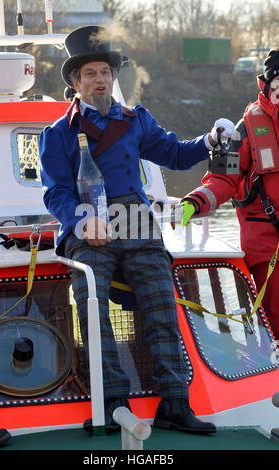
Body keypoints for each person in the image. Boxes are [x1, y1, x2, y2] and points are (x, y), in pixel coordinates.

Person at [39, 25, 234, 434]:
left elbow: (176, 155)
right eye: (89, 74)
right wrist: (80, 220)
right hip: (90, 224)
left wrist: (210, 138)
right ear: (76, 83)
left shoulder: (136, 120)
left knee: (163, 304)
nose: (99, 80)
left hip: (137, 222)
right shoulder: (57, 133)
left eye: (105, 73)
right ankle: (112, 401)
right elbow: (55, 193)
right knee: (92, 307)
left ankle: (174, 403)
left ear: (113, 78)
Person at [181, 49, 279, 340]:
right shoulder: (244, 131)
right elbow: (221, 178)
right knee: (274, 322)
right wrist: (194, 203)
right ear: (268, 85)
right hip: (268, 250)